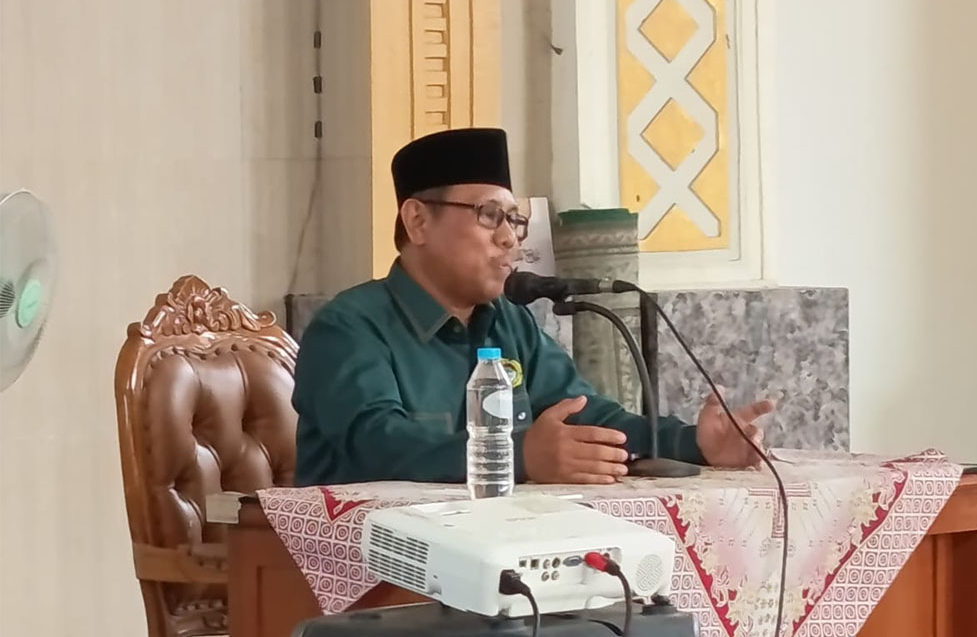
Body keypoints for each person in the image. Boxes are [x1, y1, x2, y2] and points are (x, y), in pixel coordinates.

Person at [292, 128, 775, 486]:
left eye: (515, 220)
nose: (509, 239)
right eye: (489, 215)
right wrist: (522, 457)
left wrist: (693, 443)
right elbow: (379, 447)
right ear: (417, 221)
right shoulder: (349, 328)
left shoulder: (508, 321)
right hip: (371, 568)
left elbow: (585, 417)